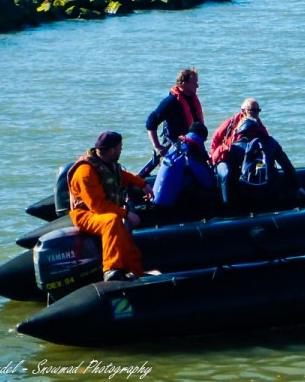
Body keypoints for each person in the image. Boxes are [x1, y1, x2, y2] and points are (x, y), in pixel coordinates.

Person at [68, 131, 154, 281]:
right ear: (112, 150)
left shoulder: (107, 164)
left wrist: (143, 184)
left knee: (127, 242)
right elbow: (98, 207)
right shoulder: (86, 172)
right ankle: (111, 269)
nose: (121, 150)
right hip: (85, 215)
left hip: (104, 210)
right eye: (120, 147)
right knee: (112, 221)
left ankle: (137, 273)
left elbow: (124, 176)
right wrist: (126, 214)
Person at [218, 99, 305, 210]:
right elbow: (287, 166)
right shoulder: (271, 143)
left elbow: (231, 176)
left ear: (240, 130)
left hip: (247, 196)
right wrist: (298, 187)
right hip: (270, 193)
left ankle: (229, 208)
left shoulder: (235, 147)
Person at [152, 121, 218, 214]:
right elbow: (207, 181)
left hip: (160, 194)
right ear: (202, 138)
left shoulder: (178, 145)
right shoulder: (192, 151)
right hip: (174, 202)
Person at [146, 68, 204, 157]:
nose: (197, 86)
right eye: (194, 83)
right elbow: (151, 122)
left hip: (191, 145)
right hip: (175, 147)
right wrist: (157, 146)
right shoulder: (171, 102)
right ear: (184, 84)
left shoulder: (192, 100)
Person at [210, 98, 252, 166]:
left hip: (245, 156)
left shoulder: (257, 124)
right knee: (227, 173)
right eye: (253, 110)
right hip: (227, 157)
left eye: (258, 110)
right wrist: (213, 155)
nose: (256, 113)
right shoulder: (231, 122)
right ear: (243, 111)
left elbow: (265, 137)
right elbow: (216, 136)